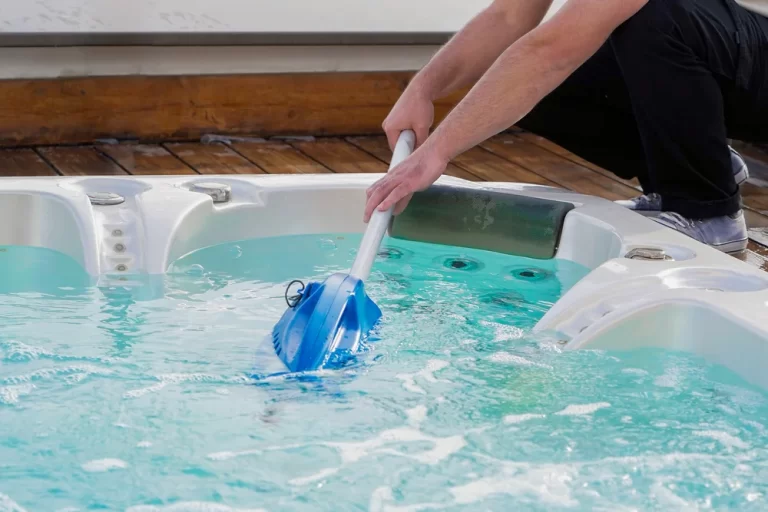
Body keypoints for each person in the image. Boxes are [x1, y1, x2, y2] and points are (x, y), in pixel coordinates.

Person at [363, 0, 768, 254]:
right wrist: (423, 88)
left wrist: (435, 152)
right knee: (515, 70)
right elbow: (508, 17)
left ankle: (709, 210)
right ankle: (701, 165)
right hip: (738, 55)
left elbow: (551, 52)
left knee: (655, 16)